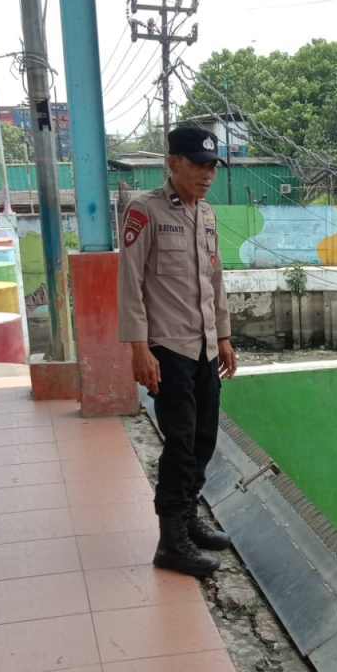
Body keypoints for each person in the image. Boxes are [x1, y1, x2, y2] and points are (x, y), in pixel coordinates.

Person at [118, 124, 238, 577]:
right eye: (199, 165)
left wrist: (223, 337)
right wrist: (138, 347)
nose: (207, 174)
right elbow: (129, 282)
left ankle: (187, 519)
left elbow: (215, 281)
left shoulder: (206, 216)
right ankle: (170, 541)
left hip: (204, 347)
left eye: (212, 167)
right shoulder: (144, 211)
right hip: (166, 348)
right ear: (173, 163)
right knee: (181, 443)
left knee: (204, 438)